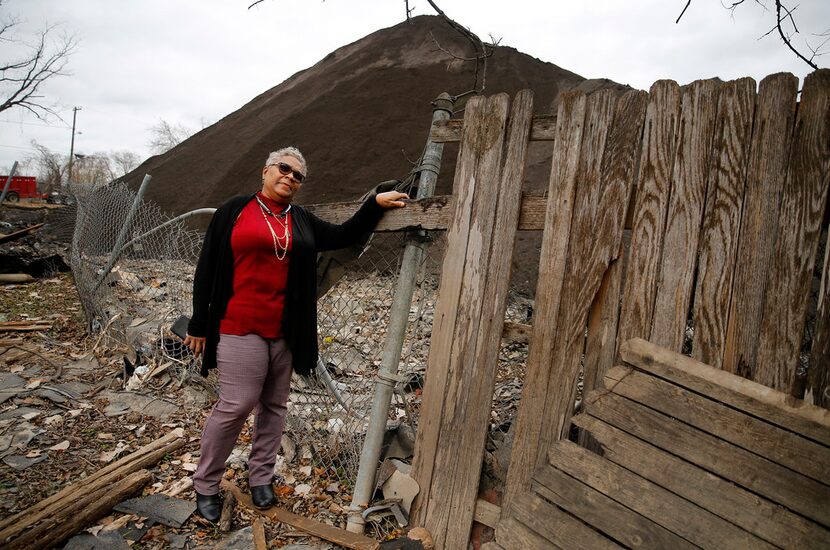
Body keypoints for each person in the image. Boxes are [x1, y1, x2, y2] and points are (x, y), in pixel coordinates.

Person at [183, 146, 408, 522]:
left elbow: (343, 235)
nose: (290, 177)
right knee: (237, 404)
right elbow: (207, 267)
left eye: (298, 175)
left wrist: (374, 203)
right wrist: (198, 323)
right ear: (266, 171)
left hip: (286, 330)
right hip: (239, 325)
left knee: (274, 406)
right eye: (284, 169)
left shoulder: (300, 219)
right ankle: (206, 484)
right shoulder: (235, 211)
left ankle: (261, 479)